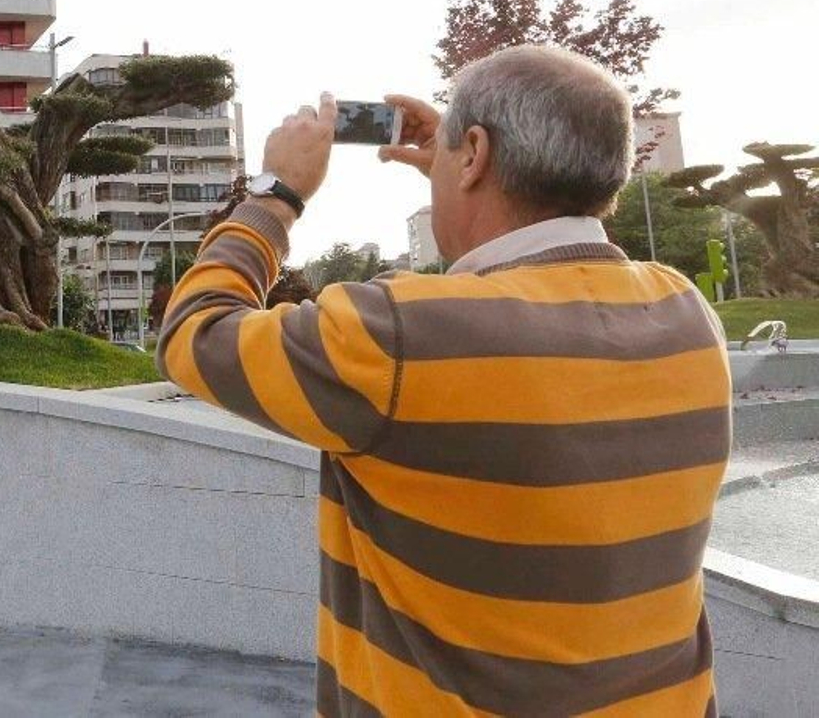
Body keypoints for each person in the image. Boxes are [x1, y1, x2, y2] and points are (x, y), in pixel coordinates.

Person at [157, 46, 730, 715]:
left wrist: (275, 193)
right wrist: (458, 168)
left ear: (476, 153)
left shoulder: (399, 335)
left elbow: (195, 331)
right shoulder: (686, 313)